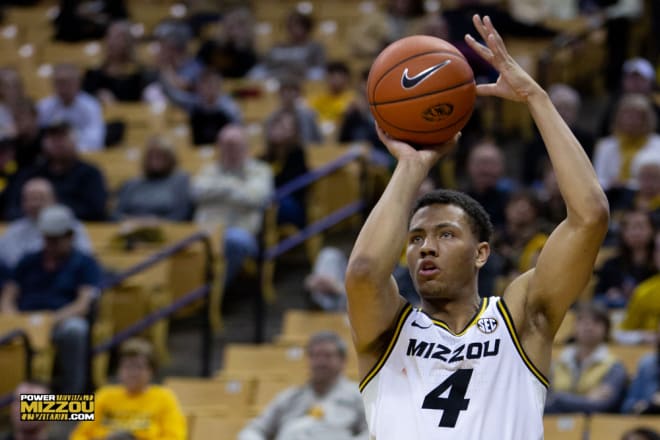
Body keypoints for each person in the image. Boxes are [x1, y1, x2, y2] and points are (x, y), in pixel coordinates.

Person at [344, 14, 609, 439]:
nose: (425, 248)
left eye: (445, 234)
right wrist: (411, 166)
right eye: (415, 239)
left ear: (482, 252)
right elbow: (361, 273)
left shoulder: (521, 320)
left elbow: (590, 216)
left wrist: (536, 98)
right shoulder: (387, 330)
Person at [0, 204, 102, 393]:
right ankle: (12, 399)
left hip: (60, 319)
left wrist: (49, 321)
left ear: (70, 236)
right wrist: (12, 317)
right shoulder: (29, 260)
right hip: (25, 320)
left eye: (56, 239)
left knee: (75, 330)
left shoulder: (85, 263)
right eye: (47, 238)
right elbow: (9, 293)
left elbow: (83, 304)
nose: (50, 244)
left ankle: (72, 398)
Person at [238, 331, 367, 440]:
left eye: (327, 356)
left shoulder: (357, 396)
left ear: (342, 361)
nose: (320, 362)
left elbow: (372, 433)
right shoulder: (290, 397)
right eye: (315, 356)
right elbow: (254, 429)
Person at [191, 124, 273, 285]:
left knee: (233, 241)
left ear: (245, 147)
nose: (229, 150)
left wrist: (218, 190)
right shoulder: (209, 169)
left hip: (242, 231)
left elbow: (255, 198)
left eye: (234, 146)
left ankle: (213, 292)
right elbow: (196, 192)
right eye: (225, 146)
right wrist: (233, 186)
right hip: (205, 232)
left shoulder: (260, 170)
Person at [70, 338, 187, 440]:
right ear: (119, 371)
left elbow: (175, 437)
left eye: (139, 367)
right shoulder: (104, 395)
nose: (132, 373)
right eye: (127, 367)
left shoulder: (164, 397)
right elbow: (79, 436)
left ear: (151, 371)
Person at [5, 121, 108, 221]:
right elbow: (11, 208)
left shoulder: (90, 174)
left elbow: (96, 210)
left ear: (75, 142)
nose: (57, 143)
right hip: (29, 229)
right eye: (52, 138)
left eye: (62, 138)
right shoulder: (30, 174)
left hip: (73, 231)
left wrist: (51, 210)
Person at [544, 303, 628, 414]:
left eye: (596, 322)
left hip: (597, 426)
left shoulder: (614, 365)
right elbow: (545, 402)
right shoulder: (557, 363)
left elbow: (603, 405)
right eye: (582, 321)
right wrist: (586, 400)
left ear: (606, 329)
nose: (588, 326)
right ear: (574, 327)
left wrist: (558, 398)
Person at [0, 177, 91, 267]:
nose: (35, 204)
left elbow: (84, 260)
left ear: (54, 200)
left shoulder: (71, 226)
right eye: (30, 199)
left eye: (40, 198)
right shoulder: (13, 231)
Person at [114, 136, 192, 221]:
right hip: (130, 229)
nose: (155, 160)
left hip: (168, 229)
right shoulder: (132, 184)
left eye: (159, 156)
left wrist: (157, 222)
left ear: (170, 158)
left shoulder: (179, 181)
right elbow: (116, 214)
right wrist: (132, 221)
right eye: (150, 156)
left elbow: (181, 214)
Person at [593, 93, 660, 192]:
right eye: (627, 116)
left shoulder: (657, 143)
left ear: (647, 120)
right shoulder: (605, 145)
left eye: (637, 117)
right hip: (612, 196)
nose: (631, 121)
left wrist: (626, 184)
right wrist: (611, 184)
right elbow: (597, 180)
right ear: (618, 118)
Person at [161, 68, 241, 146]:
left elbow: (237, 132)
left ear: (218, 86)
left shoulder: (229, 108)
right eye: (204, 84)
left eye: (211, 84)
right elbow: (174, 97)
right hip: (198, 151)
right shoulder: (195, 104)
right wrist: (164, 74)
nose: (207, 88)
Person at [594, 209, 655, 308]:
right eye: (630, 227)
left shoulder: (657, 265)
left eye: (640, 226)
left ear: (652, 230)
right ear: (622, 233)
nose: (635, 232)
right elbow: (597, 299)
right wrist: (609, 296)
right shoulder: (611, 265)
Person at [82, 20, 153, 104]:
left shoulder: (142, 74)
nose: (112, 42)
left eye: (119, 37)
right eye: (110, 36)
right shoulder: (93, 74)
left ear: (129, 42)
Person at [262, 109, 309, 229]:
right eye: (275, 125)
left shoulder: (297, 154)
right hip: (267, 200)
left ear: (292, 132)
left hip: (291, 203)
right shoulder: (263, 158)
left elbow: (294, 185)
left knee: (277, 204)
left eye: (282, 126)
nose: (276, 129)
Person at [196, 7, 258, 78]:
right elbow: (197, 66)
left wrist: (240, 45)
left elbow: (246, 75)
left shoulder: (250, 54)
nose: (234, 30)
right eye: (230, 25)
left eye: (240, 25)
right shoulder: (210, 46)